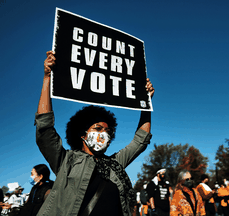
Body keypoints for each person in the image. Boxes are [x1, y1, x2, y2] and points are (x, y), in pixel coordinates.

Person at [35, 51, 154, 216]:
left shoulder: (115, 164)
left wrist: (146, 103)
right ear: (82, 134)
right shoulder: (66, 161)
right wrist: (47, 77)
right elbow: (45, 129)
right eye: (98, 128)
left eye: (107, 131)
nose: (104, 134)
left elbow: (140, 141)